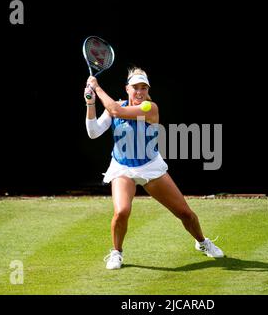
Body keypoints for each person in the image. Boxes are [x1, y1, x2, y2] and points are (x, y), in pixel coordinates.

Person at [84, 67, 224, 270]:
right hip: (123, 168)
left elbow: (117, 111)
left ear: (148, 90)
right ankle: (117, 252)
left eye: (143, 88)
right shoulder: (114, 106)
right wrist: (90, 104)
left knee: (185, 213)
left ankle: (202, 242)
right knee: (121, 211)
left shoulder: (150, 108)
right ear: (127, 89)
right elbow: (94, 132)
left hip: (150, 167)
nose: (139, 92)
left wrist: (96, 88)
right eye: (135, 88)